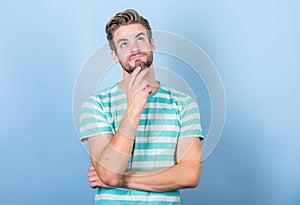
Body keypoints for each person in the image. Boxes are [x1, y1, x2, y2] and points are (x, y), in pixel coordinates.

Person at [79, 9, 204, 205]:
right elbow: (109, 174)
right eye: (124, 44)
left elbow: (189, 175)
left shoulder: (183, 104)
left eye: (140, 39)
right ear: (114, 55)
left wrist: (122, 179)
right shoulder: (96, 106)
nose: (134, 48)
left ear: (152, 44)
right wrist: (134, 109)